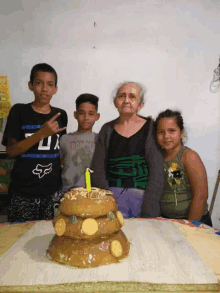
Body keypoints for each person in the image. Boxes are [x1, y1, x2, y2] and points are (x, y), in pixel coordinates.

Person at [2, 63, 68, 222]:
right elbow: (11, 151)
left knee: (51, 236)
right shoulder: (19, 111)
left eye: (50, 84)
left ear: (55, 89)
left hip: (52, 192)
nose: (44, 89)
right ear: (30, 86)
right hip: (22, 192)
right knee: (19, 239)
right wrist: (41, 134)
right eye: (39, 83)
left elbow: (61, 151)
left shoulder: (61, 115)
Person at [91, 82, 164, 218]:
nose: (126, 100)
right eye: (121, 96)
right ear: (115, 102)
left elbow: (157, 171)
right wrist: (107, 203)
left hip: (144, 200)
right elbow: (98, 169)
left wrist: (149, 209)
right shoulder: (107, 129)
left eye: (132, 97)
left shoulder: (151, 128)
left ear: (140, 104)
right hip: (111, 200)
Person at [155, 109, 212, 226]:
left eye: (172, 131)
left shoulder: (188, 157)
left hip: (192, 222)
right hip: (168, 221)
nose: (166, 136)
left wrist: (190, 225)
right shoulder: (157, 157)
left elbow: (201, 195)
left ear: (181, 133)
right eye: (161, 132)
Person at [60, 93, 100, 192]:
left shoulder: (100, 139)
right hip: (68, 192)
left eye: (91, 114)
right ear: (75, 114)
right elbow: (59, 164)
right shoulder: (65, 139)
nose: (86, 118)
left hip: (93, 192)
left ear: (97, 116)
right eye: (82, 113)